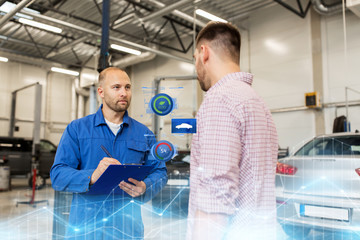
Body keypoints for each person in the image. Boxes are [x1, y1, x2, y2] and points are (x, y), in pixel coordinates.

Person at [50, 67, 167, 240]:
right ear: (101, 92)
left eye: (127, 87)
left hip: (127, 230)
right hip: (86, 230)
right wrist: (91, 177)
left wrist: (145, 186)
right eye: (116, 87)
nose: (124, 93)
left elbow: (160, 171)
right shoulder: (77, 129)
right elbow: (58, 174)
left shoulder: (144, 133)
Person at [187, 22, 278, 240]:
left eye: (194, 60)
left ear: (203, 52)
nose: (196, 68)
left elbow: (216, 195)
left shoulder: (220, 100)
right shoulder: (256, 102)